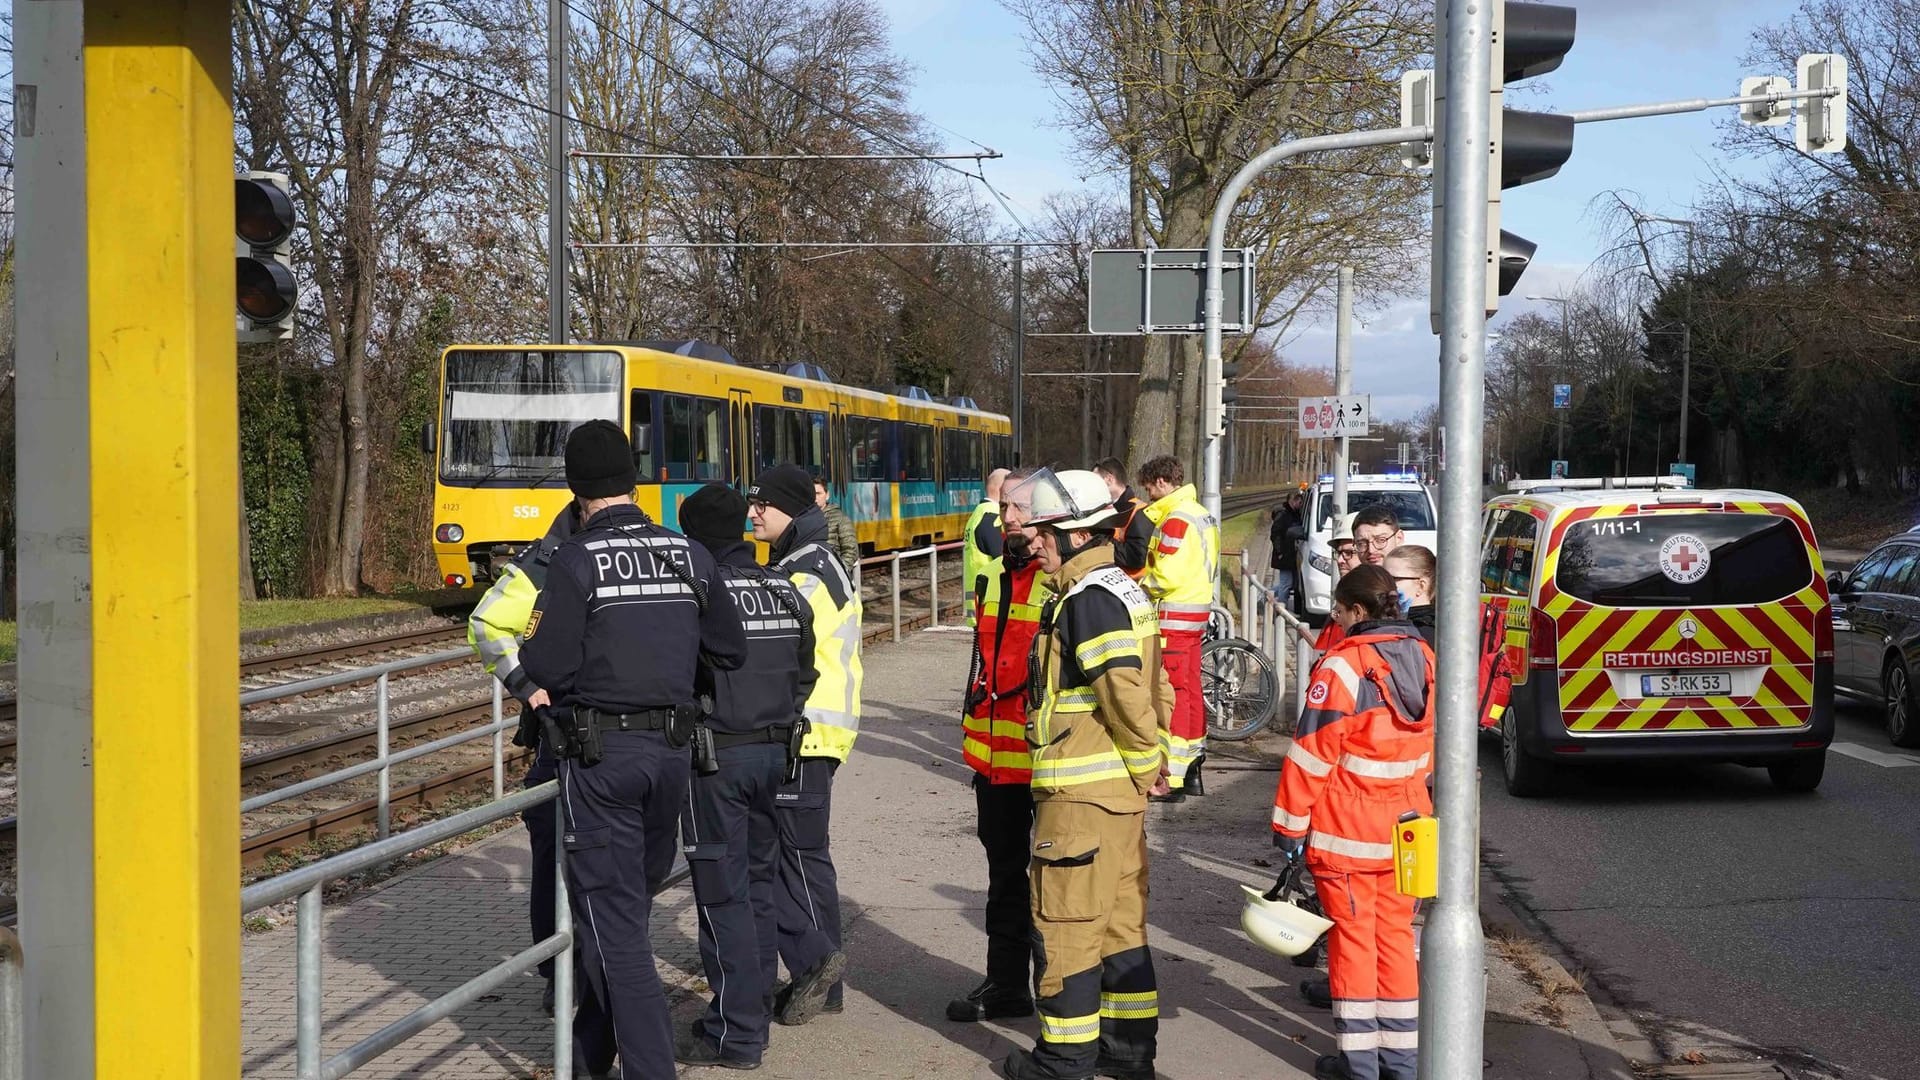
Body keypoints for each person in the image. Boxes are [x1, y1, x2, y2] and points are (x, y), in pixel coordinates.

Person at [518, 420, 749, 1080]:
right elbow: (729, 650)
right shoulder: (689, 555)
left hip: (599, 765)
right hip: (671, 761)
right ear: (634, 480)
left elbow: (546, 665)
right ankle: (588, 1057)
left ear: (575, 490)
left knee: (615, 932)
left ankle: (649, 1070)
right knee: (618, 914)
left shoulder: (575, 561)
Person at [1000, 469, 1173, 1080]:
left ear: (1075, 535)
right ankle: (1128, 1057)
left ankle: (1062, 1062)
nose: (1034, 540)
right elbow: (1162, 686)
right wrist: (1152, 767)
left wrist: (1145, 760)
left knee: (1067, 925)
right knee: (1120, 927)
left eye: (1045, 531)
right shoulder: (1124, 590)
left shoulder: (1086, 600)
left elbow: (1124, 692)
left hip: (1080, 794)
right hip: (1116, 798)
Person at [1270, 564, 1435, 1080]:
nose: (1335, 620)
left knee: (1354, 947)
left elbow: (1311, 758)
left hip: (1348, 835)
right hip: (1408, 830)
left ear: (1357, 611)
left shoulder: (1343, 670)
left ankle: (1360, 1066)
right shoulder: (1426, 658)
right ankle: (1400, 1064)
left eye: (1339, 611)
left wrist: (1289, 827)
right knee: (1396, 943)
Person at [675, 483, 818, 1070]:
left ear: (696, 538)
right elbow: (807, 670)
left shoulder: (702, 594)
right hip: (776, 756)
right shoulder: (782, 587)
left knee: (721, 896)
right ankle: (753, 1011)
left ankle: (734, 1033)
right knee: (758, 888)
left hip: (718, 761)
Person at [748, 463, 863, 1025]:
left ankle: (821, 978)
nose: (753, 513)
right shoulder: (808, 560)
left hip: (805, 732)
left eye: (761, 505)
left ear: (788, 509)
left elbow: (779, 650)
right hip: (814, 730)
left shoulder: (806, 571)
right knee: (800, 860)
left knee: (799, 858)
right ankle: (817, 977)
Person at [466, 502, 579, 1016]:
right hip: (559, 745)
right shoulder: (544, 562)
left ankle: (582, 975)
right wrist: (526, 686)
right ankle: (559, 975)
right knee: (555, 866)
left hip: (613, 746)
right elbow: (487, 625)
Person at [948, 467, 1044, 1024]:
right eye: (1005, 506)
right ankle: (1008, 987)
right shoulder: (998, 579)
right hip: (996, 765)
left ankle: (1065, 999)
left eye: (1019, 509)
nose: (1006, 517)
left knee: (1058, 889)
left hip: (1048, 762)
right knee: (1005, 879)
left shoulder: (1062, 584)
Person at [1136, 455, 1219, 801]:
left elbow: (1165, 575)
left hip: (1172, 617)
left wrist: (1138, 585)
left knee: (1172, 696)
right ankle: (1194, 765)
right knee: (1191, 692)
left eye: (1150, 489)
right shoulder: (1200, 513)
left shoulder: (1175, 519)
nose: (1150, 497)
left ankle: (1174, 776)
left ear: (1160, 483)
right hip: (1194, 613)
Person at [962, 468, 1012, 629]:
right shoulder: (993, 518)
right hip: (991, 605)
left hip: (980, 601)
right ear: (1002, 489)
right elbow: (1004, 560)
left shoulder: (978, 514)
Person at [1092, 457, 1154, 578]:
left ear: (1109, 479)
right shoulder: (1107, 509)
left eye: (1095, 481)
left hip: (1133, 586)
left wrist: (1099, 539)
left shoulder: (1139, 511)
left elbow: (1137, 557)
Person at [1314, 514, 1363, 652]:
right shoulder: (1345, 593)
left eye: (1348, 553)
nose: (1340, 560)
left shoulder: (1373, 600)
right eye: (1339, 553)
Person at [1385, 545, 1436, 648]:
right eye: (1383, 577)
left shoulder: (1428, 633)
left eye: (1393, 579)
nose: (1384, 584)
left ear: (1421, 586)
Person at [814, 477, 862, 583]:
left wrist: (838, 573)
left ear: (827, 495)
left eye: (818, 493)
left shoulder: (840, 518)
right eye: (812, 494)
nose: (815, 498)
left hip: (831, 578)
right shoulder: (802, 519)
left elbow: (851, 550)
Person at [1269, 490, 1306, 610]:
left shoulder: (1294, 514)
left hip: (1291, 555)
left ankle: (1267, 594)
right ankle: (1280, 610)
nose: (1301, 505)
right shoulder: (1283, 515)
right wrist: (1280, 552)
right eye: (1300, 502)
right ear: (1293, 501)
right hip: (1285, 555)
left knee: (1291, 583)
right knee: (1286, 584)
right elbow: (1275, 534)